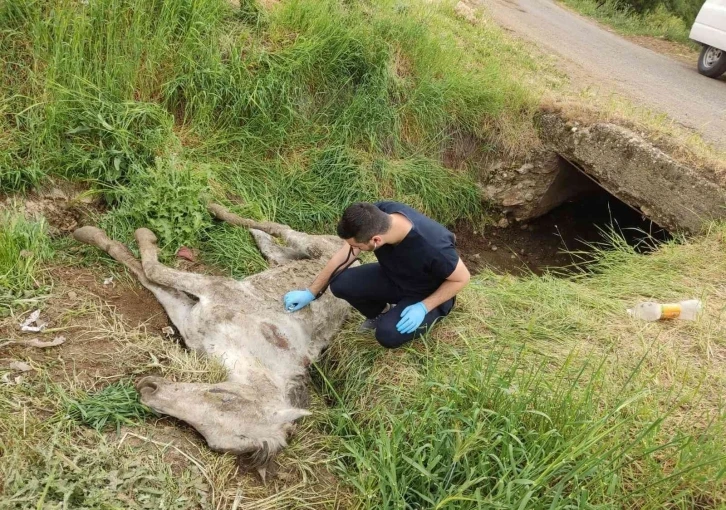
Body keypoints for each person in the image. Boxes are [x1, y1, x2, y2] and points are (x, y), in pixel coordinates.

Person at [283, 201, 470, 349]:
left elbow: (462, 278)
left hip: (426, 293)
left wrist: (423, 307)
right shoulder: (377, 214)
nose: (354, 249)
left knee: (387, 335)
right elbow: (344, 255)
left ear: (376, 240)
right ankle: (382, 312)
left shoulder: (433, 246)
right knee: (341, 283)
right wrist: (311, 292)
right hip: (394, 276)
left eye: (358, 246)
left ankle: (421, 314)